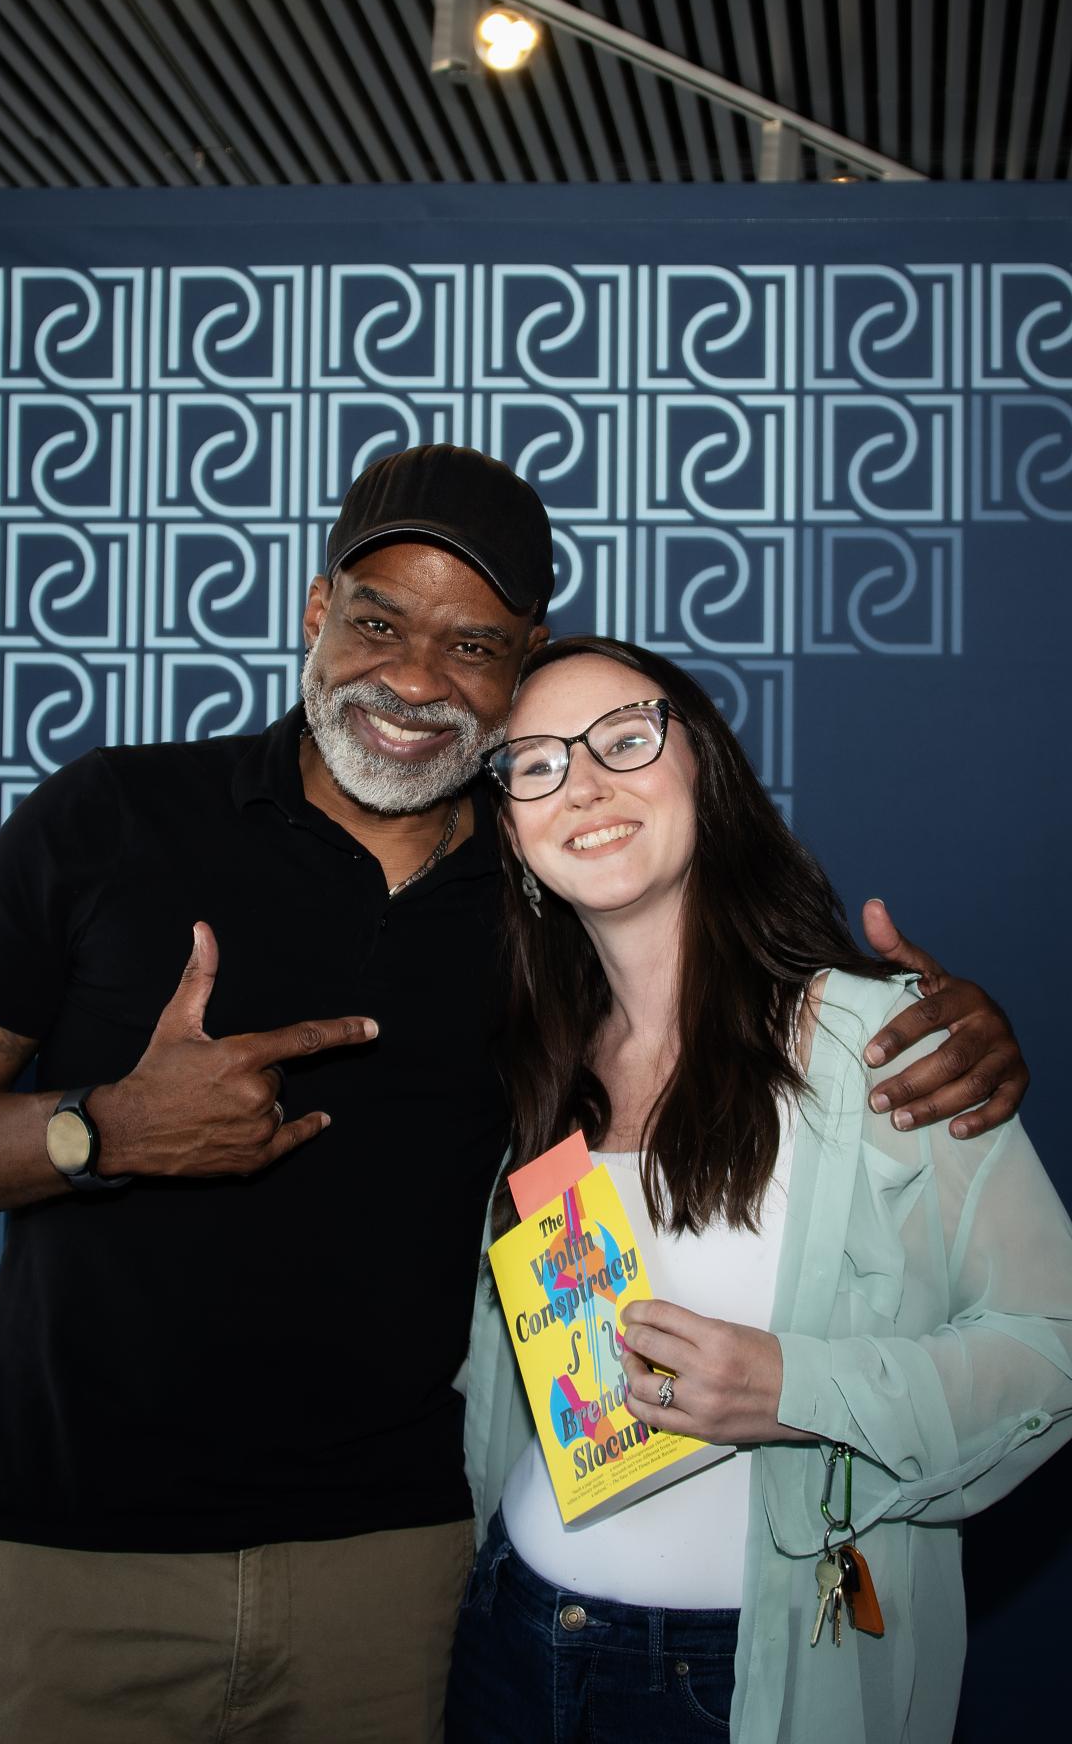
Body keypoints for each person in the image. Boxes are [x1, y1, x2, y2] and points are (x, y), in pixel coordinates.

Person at [0, 448, 1027, 1744]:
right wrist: (100, 1130)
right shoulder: (112, 817)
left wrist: (953, 1033)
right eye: (378, 622)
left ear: (519, 664)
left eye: (472, 646)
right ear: (317, 614)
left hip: (397, 1581)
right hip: (64, 1565)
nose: (416, 681)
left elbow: (733, 1007)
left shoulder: (547, 907)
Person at [449, 634, 1072, 1744]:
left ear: (708, 770)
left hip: (733, 1675)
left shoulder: (875, 1037)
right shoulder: (543, 1065)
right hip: (514, 1639)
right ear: (510, 825)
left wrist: (798, 1388)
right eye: (535, 762)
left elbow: (1053, 1345)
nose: (580, 783)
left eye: (624, 740)